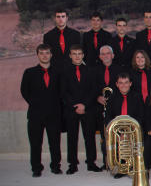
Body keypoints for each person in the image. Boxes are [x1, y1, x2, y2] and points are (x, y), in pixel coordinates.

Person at [21, 44, 62, 176]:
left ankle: (55, 166)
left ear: (51, 55)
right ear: (38, 55)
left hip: (54, 114)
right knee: (35, 143)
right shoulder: (29, 72)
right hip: (35, 114)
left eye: (47, 53)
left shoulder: (58, 72)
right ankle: (36, 168)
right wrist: (36, 104)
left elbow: (61, 92)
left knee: (55, 143)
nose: (44, 55)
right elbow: (24, 91)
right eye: (42, 53)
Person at [60, 44, 98, 174]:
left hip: (88, 109)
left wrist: (84, 105)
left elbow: (94, 90)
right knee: (72, 137)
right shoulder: (64, 71)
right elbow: (63, 92)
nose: (77, 56)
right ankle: (72, 164)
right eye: (74, 54)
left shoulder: (91, 71)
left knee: (90, 137)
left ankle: (91, 163)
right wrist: (74, 106)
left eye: (79, 54)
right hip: (71, 110)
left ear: (83, 55)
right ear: (70, 55)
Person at [105, 72, 145, 178]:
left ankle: (132, 166)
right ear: (117, 84)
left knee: (136, 141)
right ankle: (121, 168)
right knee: (114, 143)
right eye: (121, 83)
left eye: (126, 82)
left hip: (133, 130)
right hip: (117, 131)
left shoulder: (137, 96)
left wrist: (130, 132)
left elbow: (141, 116)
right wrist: (117, 134)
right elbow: (108, 117)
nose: (124, 85)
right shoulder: (112, 98)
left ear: (130, 83)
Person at [92, 45, 122, 168]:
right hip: (100, 108)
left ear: (113, 55)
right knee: (105, 136)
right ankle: (107, 162)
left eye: (108, 53)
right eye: (103, 54)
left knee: (118, 135)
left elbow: (124, 87)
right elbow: (90, 87)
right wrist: (97, 97)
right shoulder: (93, 70)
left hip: (116, 108)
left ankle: (119, 161)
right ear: (100, 57)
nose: (105, 56)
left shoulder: (120, 69)